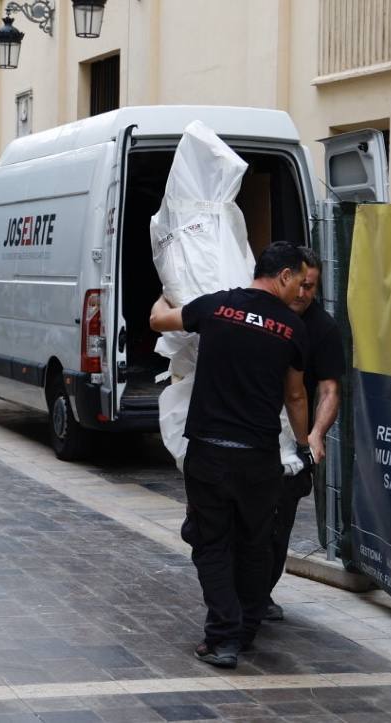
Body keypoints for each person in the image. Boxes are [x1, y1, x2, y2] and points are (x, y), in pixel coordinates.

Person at [149, 241, 320, 669]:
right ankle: (244, 629)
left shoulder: (216, 307)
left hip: (209, 453)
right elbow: (296, 396)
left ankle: (223, 637)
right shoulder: (292, 328)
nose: (302, 292)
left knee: (210, 543)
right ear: (282, 276)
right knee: (253, 544)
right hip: (259, 458)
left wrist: (168, 287)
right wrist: (302, 445)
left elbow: (157, 320)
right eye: (300, 282)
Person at [265, 248, 345, 622]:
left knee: (279, 525)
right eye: (298, 284)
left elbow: (328, 390)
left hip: (293, 444)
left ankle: (260, 592)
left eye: (309, 287)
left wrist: (315, 434)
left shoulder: (323, 329)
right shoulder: (262, 313)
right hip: (256, 434)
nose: (301, 293)